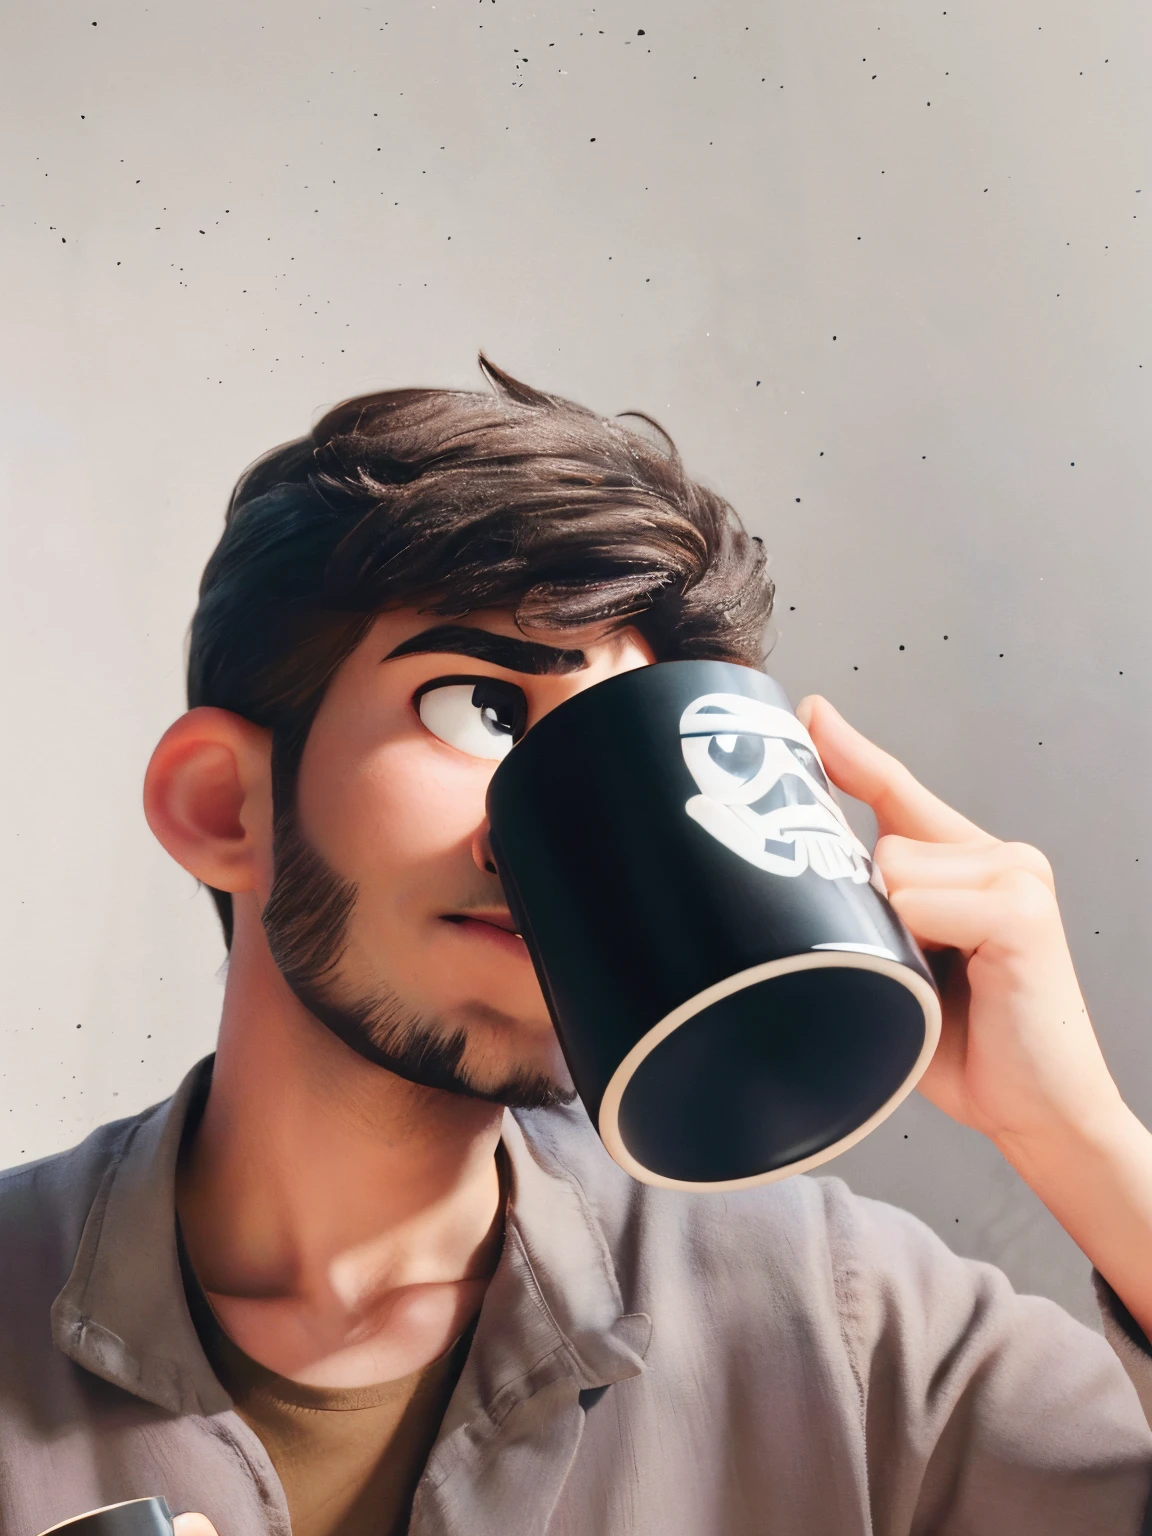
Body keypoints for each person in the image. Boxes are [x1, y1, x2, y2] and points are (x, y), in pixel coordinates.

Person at [2, 357, 1151, 1536]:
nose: (580, 832)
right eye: (483, 711)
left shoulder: (837, 1317)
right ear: (222, 806)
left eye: (628, 748)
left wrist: (1079, 1137)